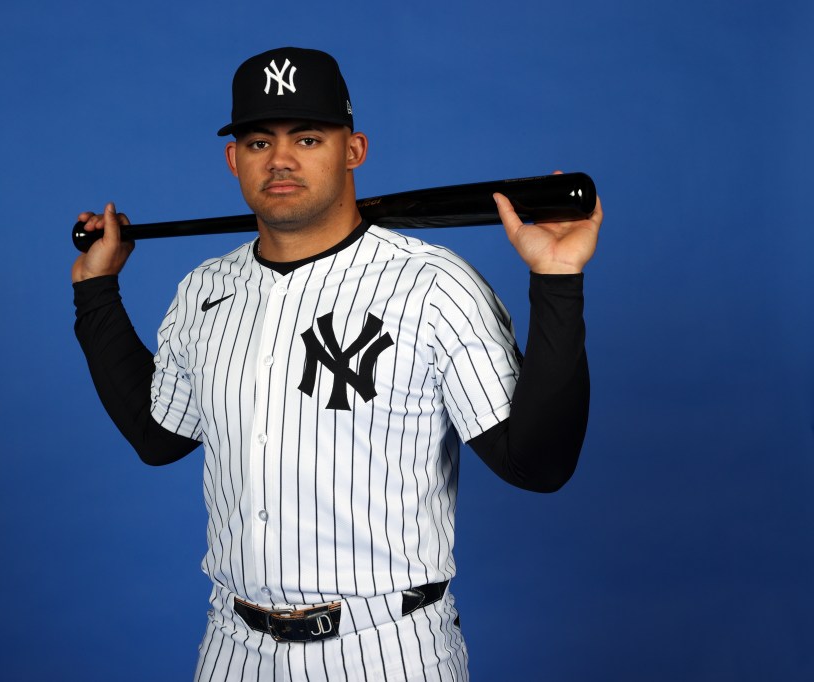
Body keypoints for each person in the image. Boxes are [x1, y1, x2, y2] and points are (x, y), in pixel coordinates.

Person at [71, 47, 602, 681]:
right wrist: (96, 296)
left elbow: (536, 464)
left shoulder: (434, 286)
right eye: (259, 142)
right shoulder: (203, 291)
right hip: (232, 647)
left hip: (387, 647)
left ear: (354, 151)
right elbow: (160, 437)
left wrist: (557, 279)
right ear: (233, 159)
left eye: (309, 137)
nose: (282, 160)